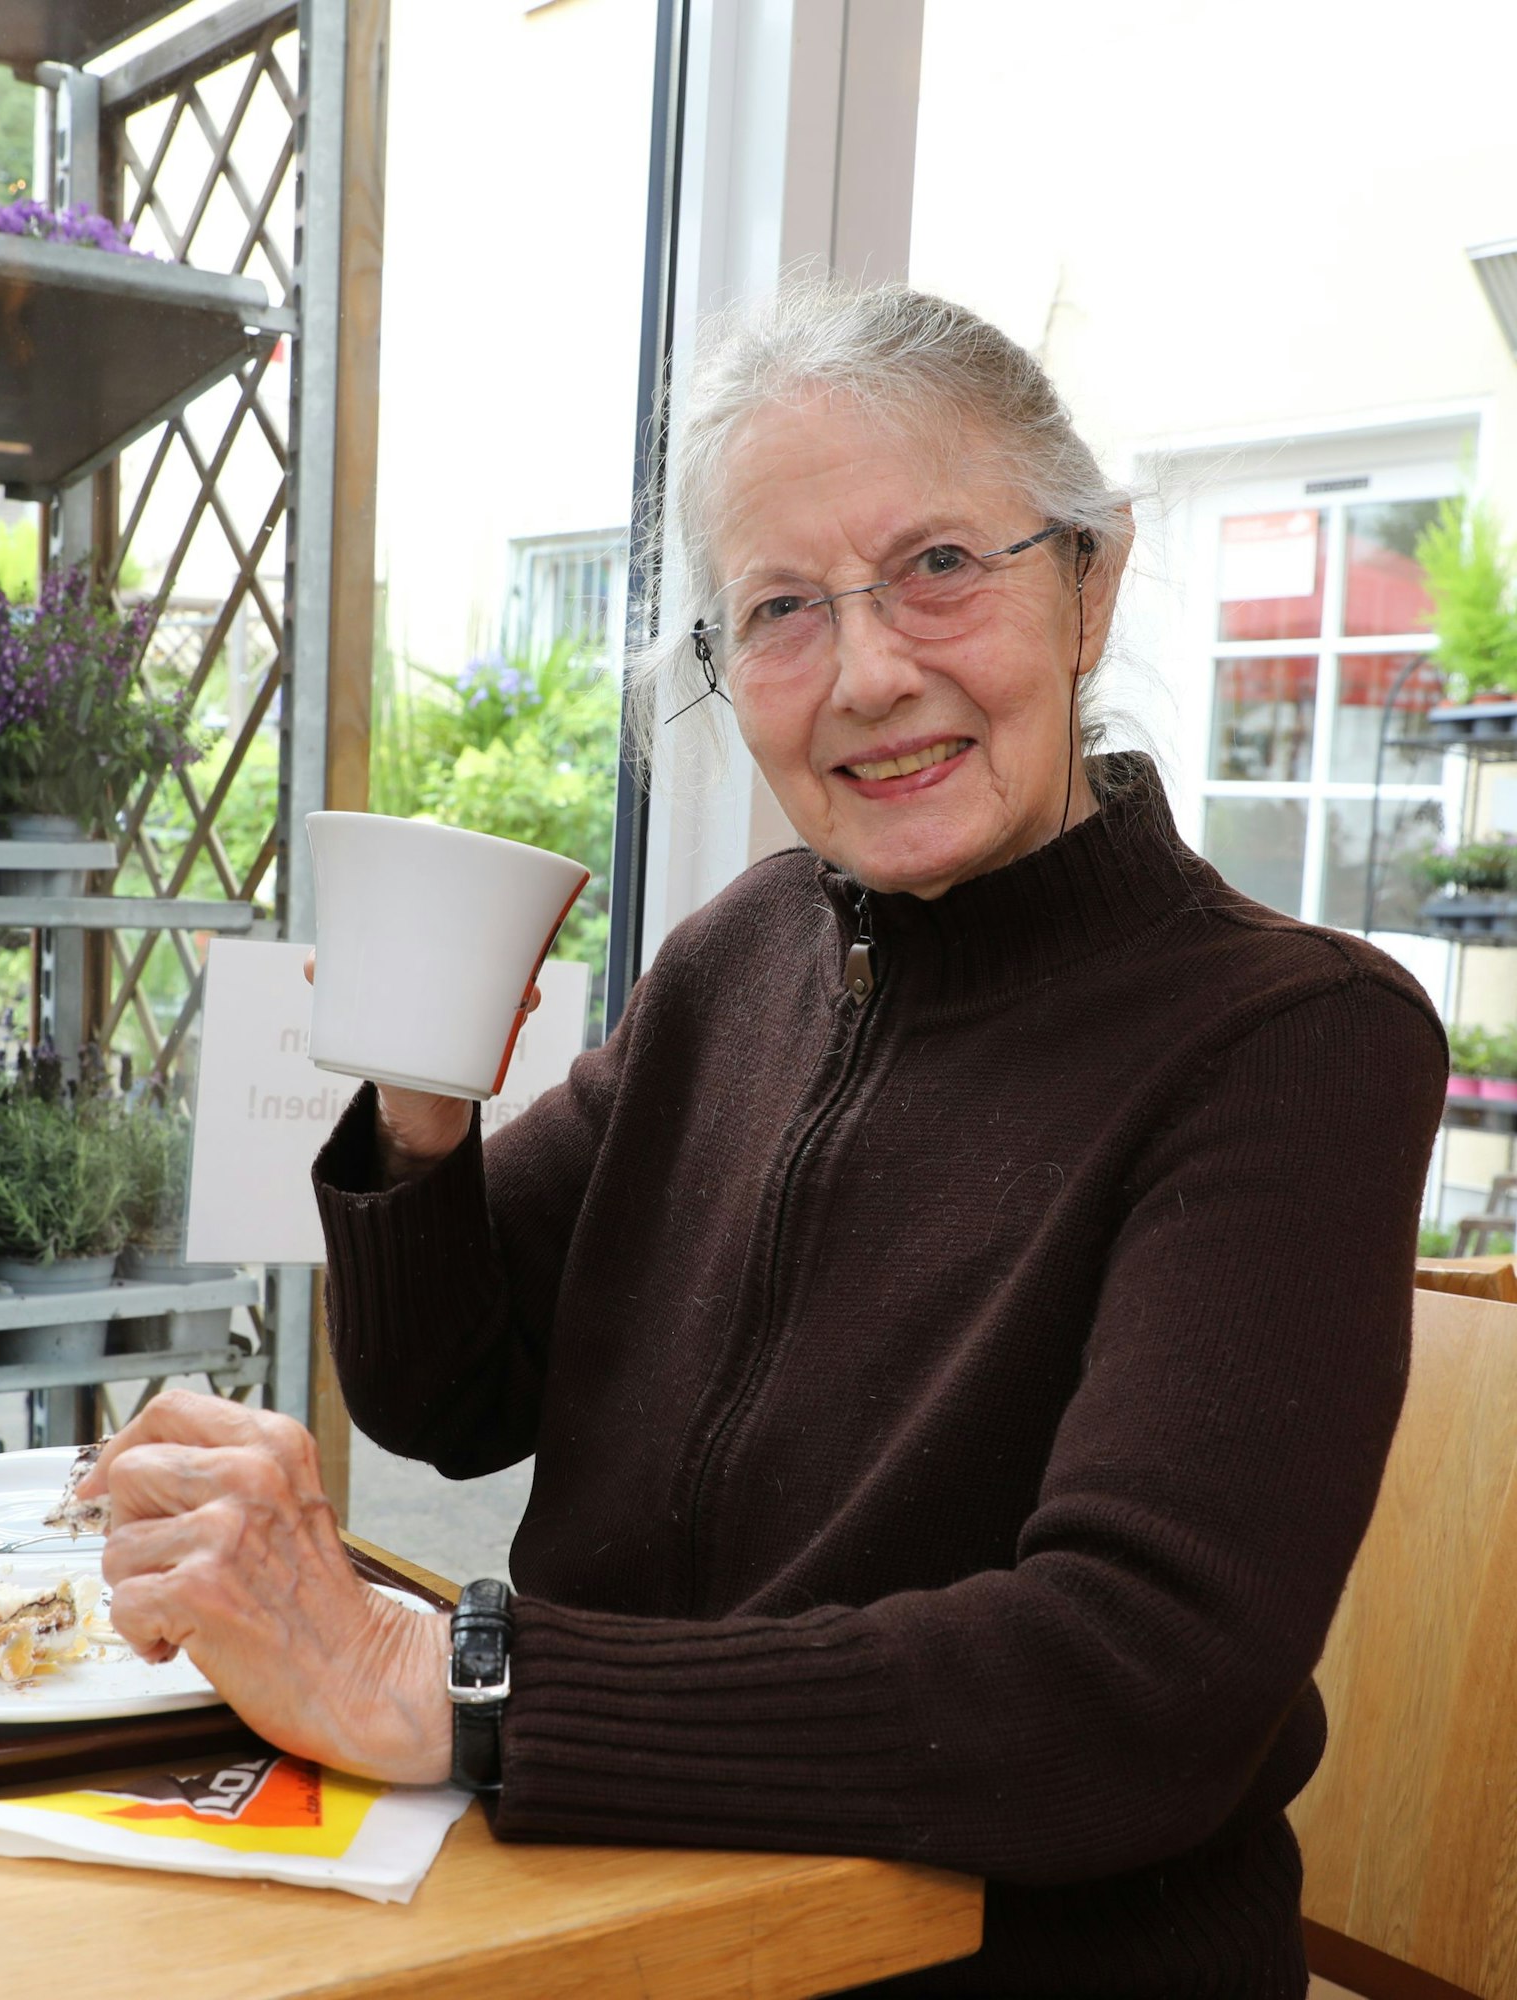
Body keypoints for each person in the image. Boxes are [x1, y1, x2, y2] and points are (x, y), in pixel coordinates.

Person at [80, 280, 1446, 1995]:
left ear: (1091, 582)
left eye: (942, 565)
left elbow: (1131, 1689)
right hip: (619, 1914)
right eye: (783, 610)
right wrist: (423, 1106)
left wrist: (450, 1683)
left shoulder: (1292, 1039)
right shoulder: (746, 949)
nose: (871, 674)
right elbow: (448, 1395)